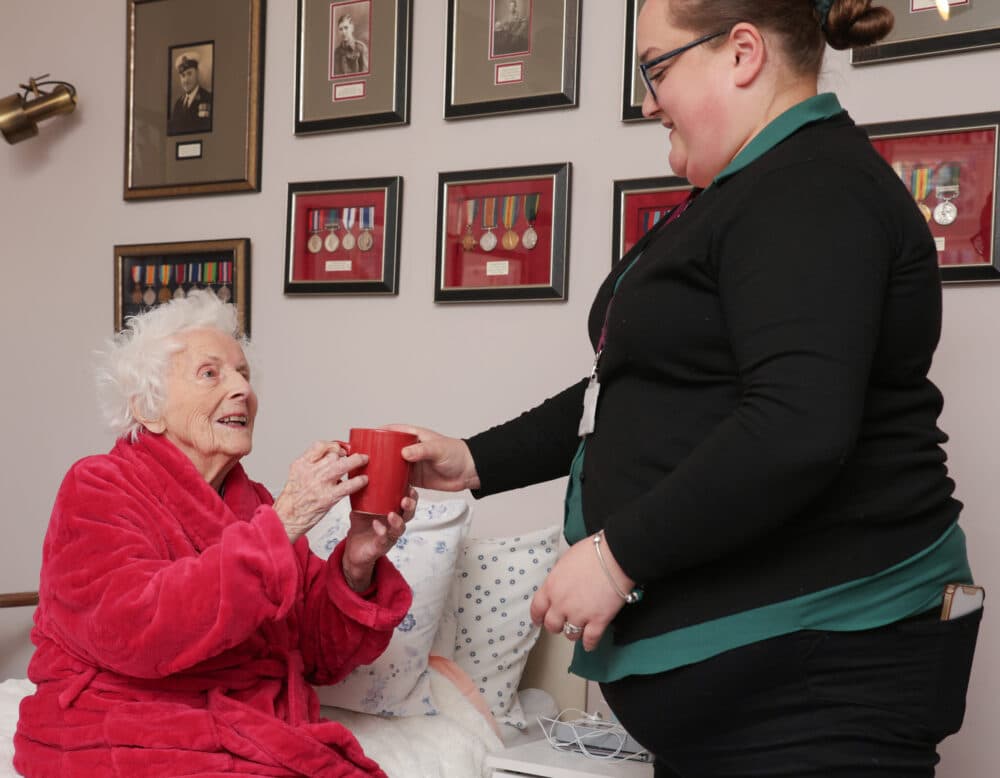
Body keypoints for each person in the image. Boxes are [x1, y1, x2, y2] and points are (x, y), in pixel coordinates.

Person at [393, 1, 982, 775]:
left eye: (657, 68)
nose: (646, 100)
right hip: (752, 706)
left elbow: (795, 424)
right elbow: (634, 384)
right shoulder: (753, 188)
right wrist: (475, 460)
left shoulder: (811, 189)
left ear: (741, 54)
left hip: (818, 688)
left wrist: (615, 558)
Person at [14, 290, 416, 777]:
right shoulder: (97, 486)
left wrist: (357, 563)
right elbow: (138, 629)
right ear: (148, 408)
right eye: (211, 374)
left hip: (242, 726)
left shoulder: (256, 505)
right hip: (121, 728)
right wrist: (285, 521)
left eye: (243, 374)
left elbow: (318, 656)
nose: (242, 390)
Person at [168, 51, 213, 135]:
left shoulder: (207, 98)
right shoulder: (178, 103)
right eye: (183, 76)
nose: (186, 80)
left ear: (197, 73)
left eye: (189, 74)